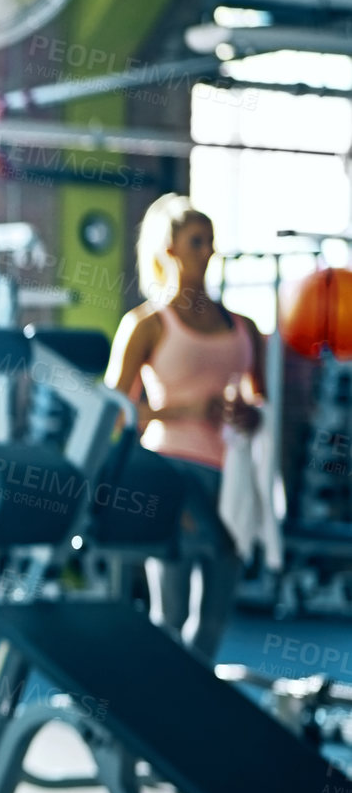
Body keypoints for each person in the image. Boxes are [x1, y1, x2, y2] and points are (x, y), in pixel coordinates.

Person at [105, 194, 265, 663]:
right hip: (171, 475)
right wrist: (180, 411)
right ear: (168, 249)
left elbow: (261, 404)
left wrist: (248, 414)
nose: (207, 250)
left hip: (231, 475)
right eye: (196, 241)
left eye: (211, 241)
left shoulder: (244, 327)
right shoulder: (146, 325)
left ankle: (190, 702)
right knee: (170, 614)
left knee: (215, 616)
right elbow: (114, 413)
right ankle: (160, 705)